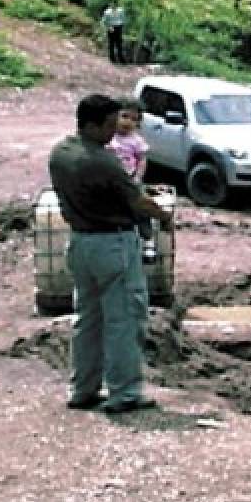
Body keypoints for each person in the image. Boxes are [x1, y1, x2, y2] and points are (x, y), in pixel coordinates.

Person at [48, 94, 174, 414]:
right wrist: (163, 215)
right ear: (91, 124)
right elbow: (137, 201)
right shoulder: (102, 161)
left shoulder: (61, 152)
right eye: (109, 124)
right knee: (124, 320)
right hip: (113, 245)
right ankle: (124, 392)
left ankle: (83, 389)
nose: (114, 130)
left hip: (80, 242)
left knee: (87, 320)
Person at [109, 98, 157, 263]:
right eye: (124, 116)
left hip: (130, 180)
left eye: (134, 119)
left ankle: (148, 241)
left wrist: (137, 177)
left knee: (141, 208)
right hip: (108, 180)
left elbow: (142, 159)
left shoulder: (136, 141)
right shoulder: (108, 137)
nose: (128, 122)